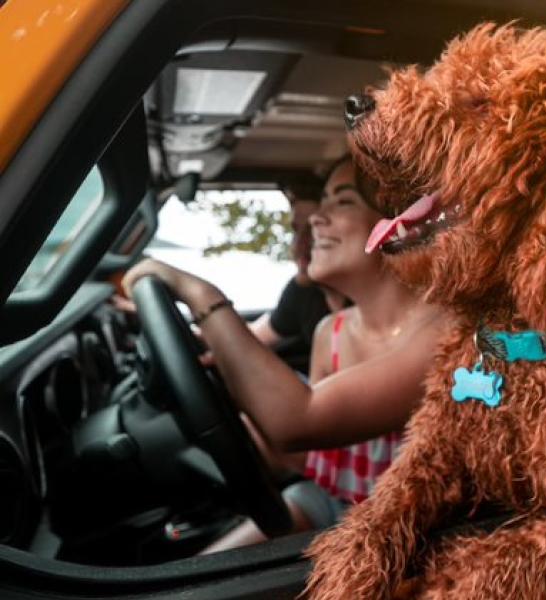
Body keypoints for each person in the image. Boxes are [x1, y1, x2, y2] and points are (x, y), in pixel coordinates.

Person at [122, 156, 447, 549]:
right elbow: (312, 454)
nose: (316, 219)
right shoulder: (332, 331)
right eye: (322, 202)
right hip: (332, 502)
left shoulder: (441, 334)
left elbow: (298, 422)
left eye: (342, 202)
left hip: (410, 529)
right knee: (203, 572)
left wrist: (201, 295)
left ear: (401, 225)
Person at [247, 178, 346, 375]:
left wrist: (204, 297)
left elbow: (309, 406)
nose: (299, 245)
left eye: (314, 231)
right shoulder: (303, 291)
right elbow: (253, 337)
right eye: (296, 230)